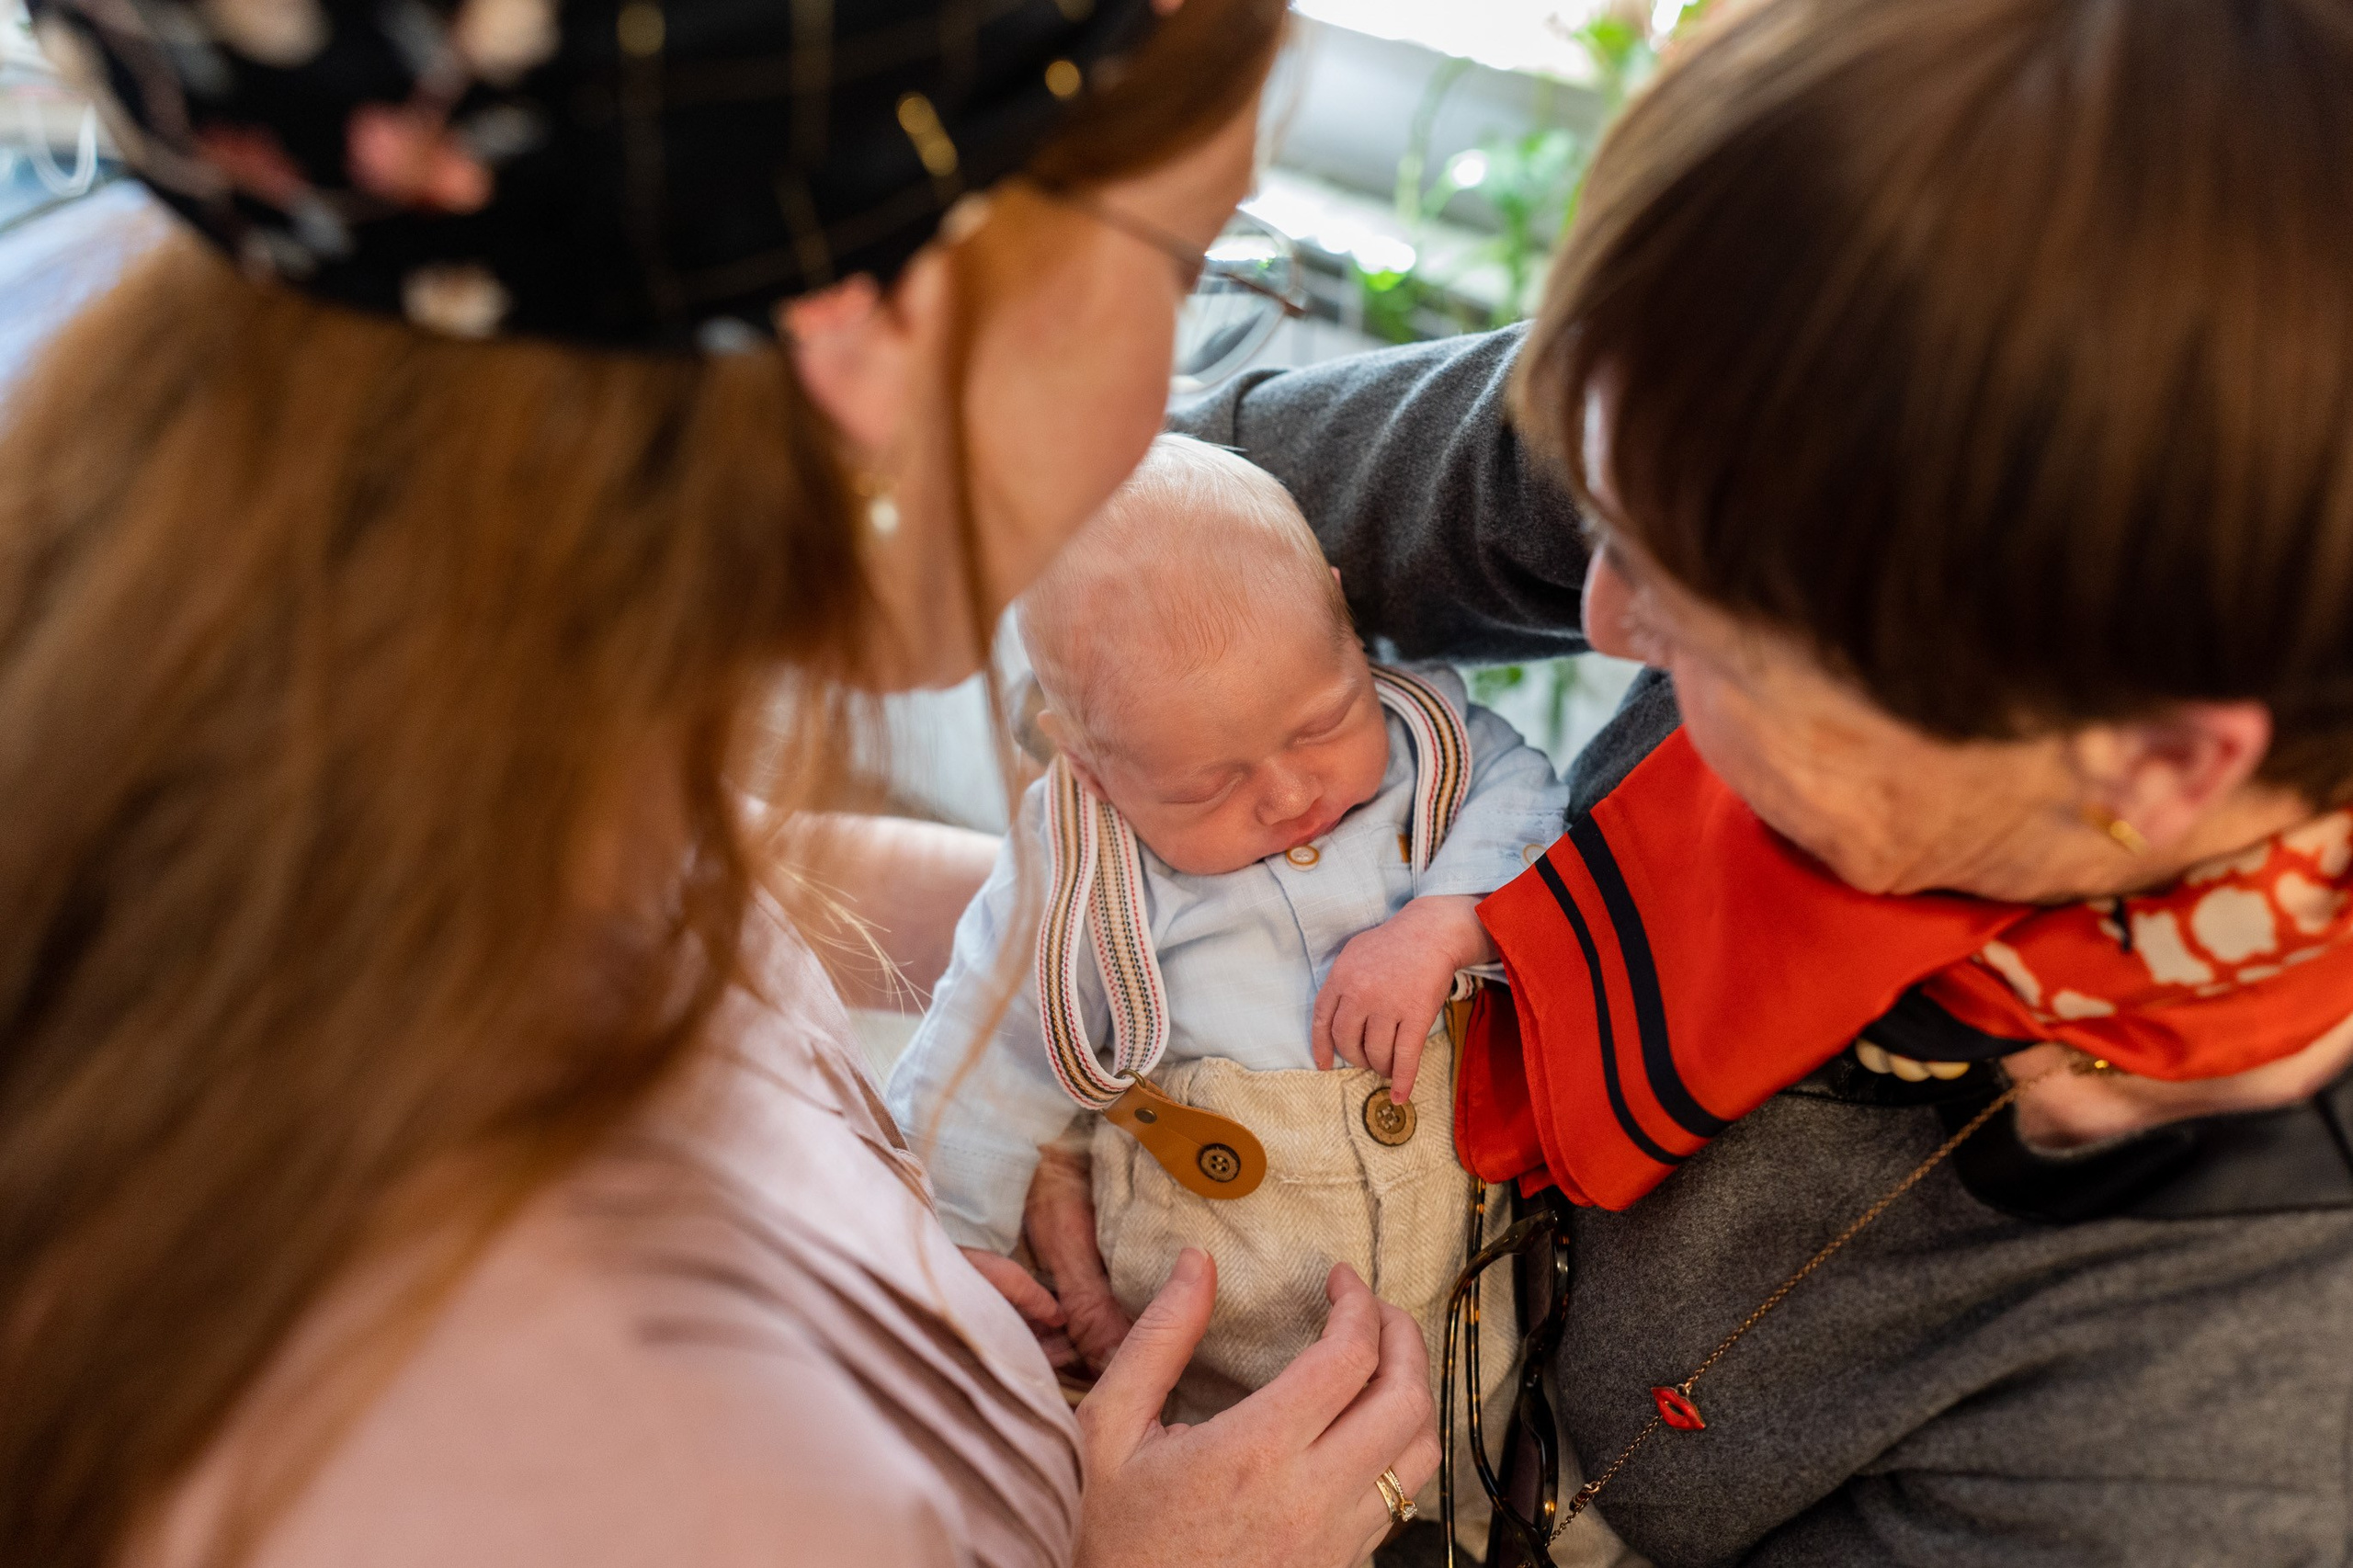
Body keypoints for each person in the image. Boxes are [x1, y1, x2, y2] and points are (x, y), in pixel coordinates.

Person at [0, 1, 1445, 1565]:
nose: (1175, 364)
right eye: (1183, 264)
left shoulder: (358, 634)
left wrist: (1105, 947)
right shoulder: (677, 1465)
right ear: (880, 325)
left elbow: (707, 877)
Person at [1122, 0, 2349, 1561]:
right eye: (1599, 507)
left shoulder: (2247, 1401)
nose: (1600, 618)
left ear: (2155, 765)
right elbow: (1159, 515)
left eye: (1694, 617)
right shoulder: (1786, 413)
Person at [886, 435, 1563, 1491]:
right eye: (1207, 786)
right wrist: (951, 1238)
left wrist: (1442, 923)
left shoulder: (1430, 738)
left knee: (1498, 1477)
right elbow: (977, 1044)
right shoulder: (1077, 868)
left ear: (1340, 615)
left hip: (1469, 1296)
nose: (1290, 793)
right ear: (1087, 757)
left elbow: (1529, 800)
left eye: (1322, 721)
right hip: (1217, 1338)